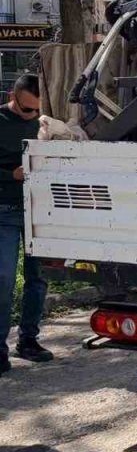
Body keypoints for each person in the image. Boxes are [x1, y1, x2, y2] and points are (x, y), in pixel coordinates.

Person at [0, 74, 51, 374]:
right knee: (4, 280)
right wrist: (11, 175)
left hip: (38, 210)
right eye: (25, 109)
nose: (31, 115)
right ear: (12, 96)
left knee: (39, 278)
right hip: (5, 208)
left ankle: (28, 340)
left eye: (35, 110)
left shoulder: (43, 122)